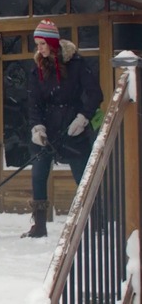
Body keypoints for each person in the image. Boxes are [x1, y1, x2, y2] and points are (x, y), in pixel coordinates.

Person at [21, 19, 103, 238]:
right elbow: (34, 103)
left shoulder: (75, 63)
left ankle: (94, 224)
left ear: (51, 42)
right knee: (38, 174)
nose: (38, 49)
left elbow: (95, 93)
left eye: (42, 44)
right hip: (47, 131)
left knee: (82, 177)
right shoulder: (37, 68)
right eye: (36, 44)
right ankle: (39, 226)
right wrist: (37, 128)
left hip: (72, 129)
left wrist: (82, 118)